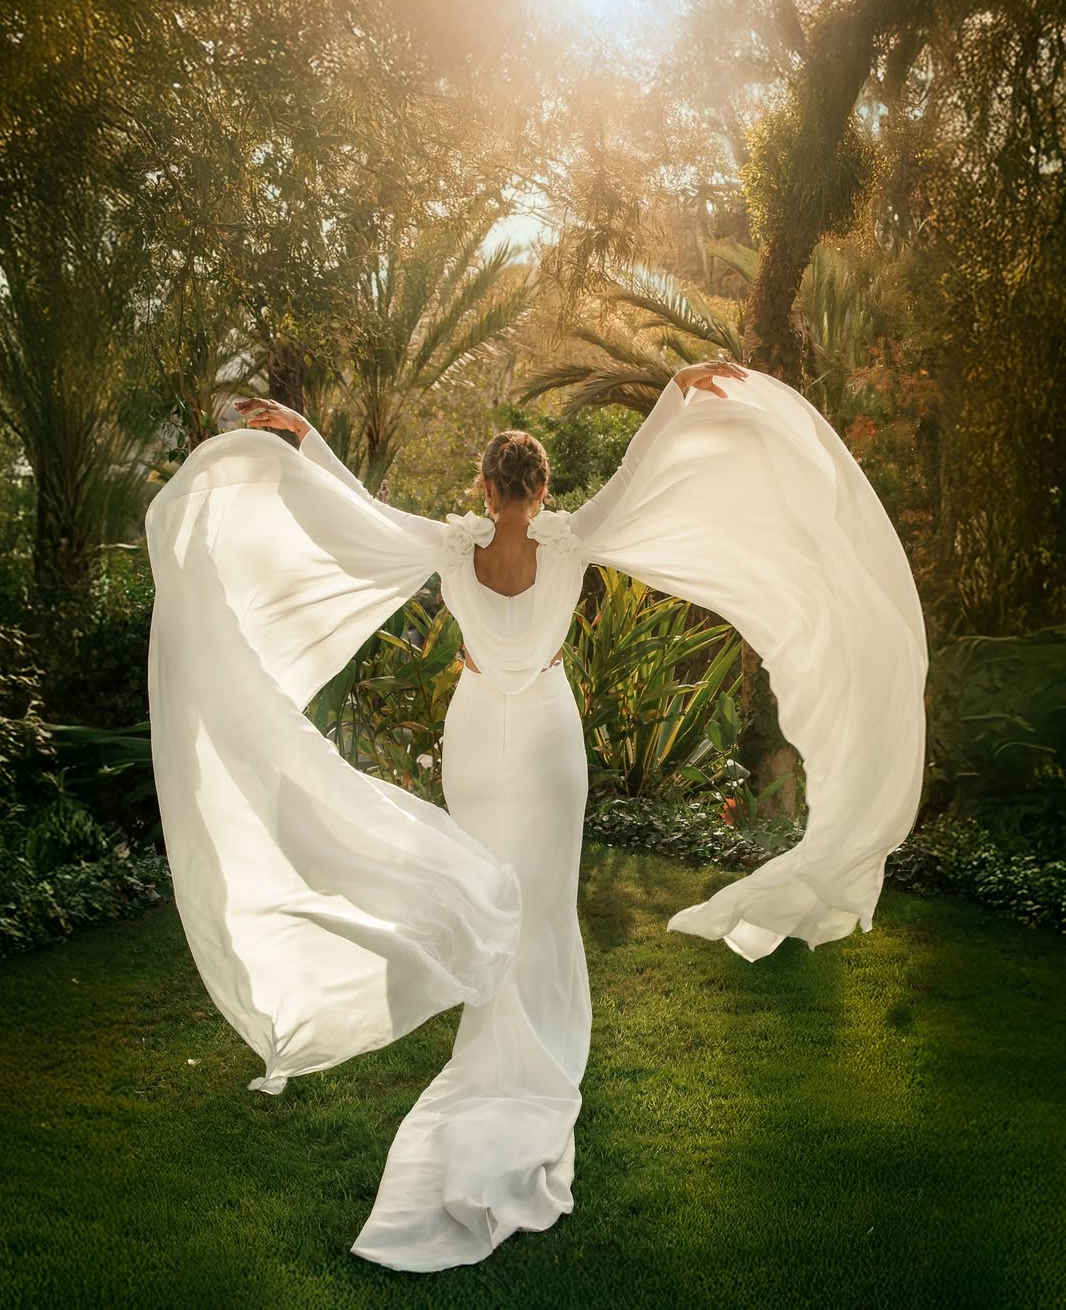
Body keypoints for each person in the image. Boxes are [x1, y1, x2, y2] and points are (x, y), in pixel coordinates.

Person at [145, 360, 927, 1272]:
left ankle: (496, 1034)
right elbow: (643, 466)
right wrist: (680, 390)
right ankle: (539, 1050)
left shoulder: (447, 548)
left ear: (484, 487)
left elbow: (349, 509)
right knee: (546, 898)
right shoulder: (571, 541)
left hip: (478, 738)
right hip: (550, 741)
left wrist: (300, 434)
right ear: (543, 486)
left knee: (497, 884)